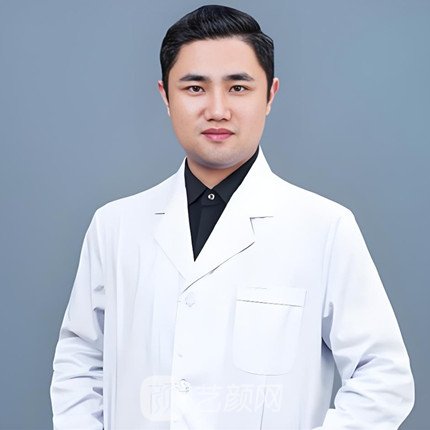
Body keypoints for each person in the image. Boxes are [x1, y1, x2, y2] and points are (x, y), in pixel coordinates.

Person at [50, 5, 414, 429]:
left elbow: (383, 377)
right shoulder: (115, 226)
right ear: (165, 96)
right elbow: (80, 360)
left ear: (270, 95)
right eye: (195, 88)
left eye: (238, 87)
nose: (218, 109)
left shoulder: (324, 227)